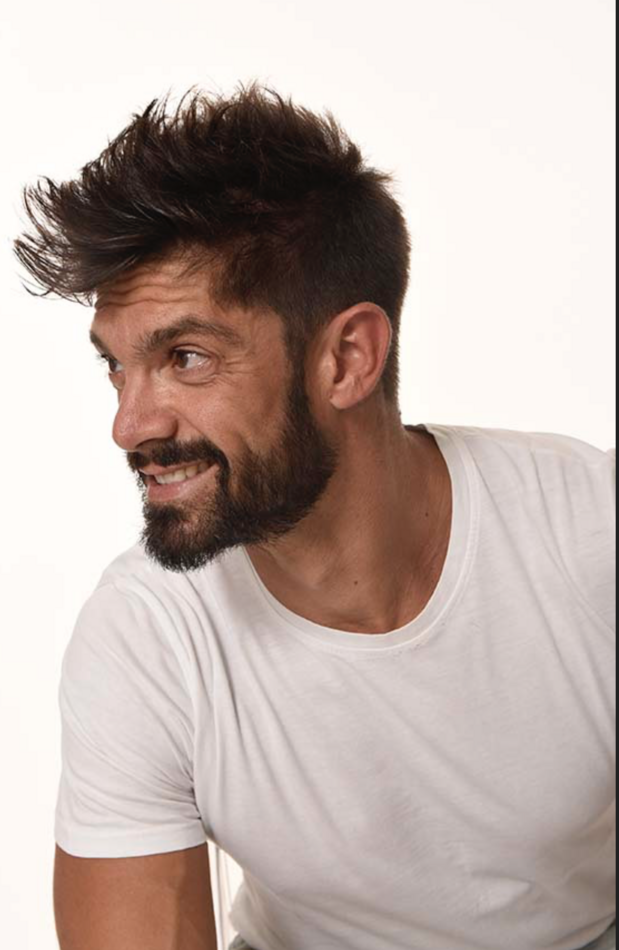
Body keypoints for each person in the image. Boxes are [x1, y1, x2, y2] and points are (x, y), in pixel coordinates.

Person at [15, 84, 615, 950]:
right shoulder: (148, 634)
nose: (130, 426)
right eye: (116, 367)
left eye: (186, 357)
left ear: (346, 359)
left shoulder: (588, 538)